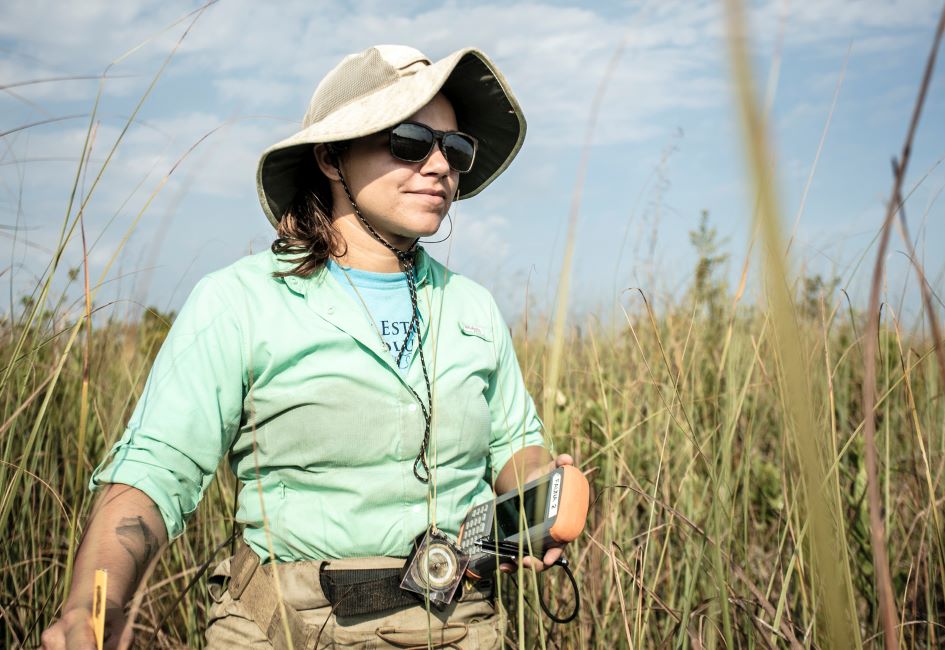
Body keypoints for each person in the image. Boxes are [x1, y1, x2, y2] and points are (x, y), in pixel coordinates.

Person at [41, 44, 575, 649]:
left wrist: (538, 490)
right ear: (329, 157)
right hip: (286, 628)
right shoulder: (239, 301)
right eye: (408, 141)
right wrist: (95, 607)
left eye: (455, 149)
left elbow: (513, 445)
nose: (438, 166)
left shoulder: (472, 308)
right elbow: (155, 470)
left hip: (461, 624)